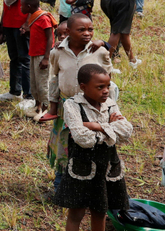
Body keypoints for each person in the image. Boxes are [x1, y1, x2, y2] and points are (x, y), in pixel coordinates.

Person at [54, 64, 131, 231]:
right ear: (83, 87)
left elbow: (127, 131)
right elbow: (82, 138)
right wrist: (109, 129)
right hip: (82, 167)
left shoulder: (111, 103)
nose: (105, 91)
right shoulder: (71, 105)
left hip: (106, 166)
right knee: (76, 212)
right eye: (100, 87)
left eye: (107, 86)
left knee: (100, 209)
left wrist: (96, 126)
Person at [45, 14, 114, 190]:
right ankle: (61, 187)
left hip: (92, 108)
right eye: (81, 29)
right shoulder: (57, 52)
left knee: (92, 144)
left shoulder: (99, 51)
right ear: (68, 32)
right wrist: (53, 104)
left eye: (90, 29)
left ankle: (93, 187)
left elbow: (108, 80)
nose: (87, 33)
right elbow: (54, 79)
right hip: (66, 107)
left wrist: (109, 108)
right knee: (65, 145)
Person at [0, 0, 46, 103]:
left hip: (23, 23)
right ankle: (14, 91)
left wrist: (27, 23)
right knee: (14, 58)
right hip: (9, 21)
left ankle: (29, 95)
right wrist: (2, 22)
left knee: (25, 58)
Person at [20, 0, 56, 119]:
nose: (21, 8)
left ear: (29, 7)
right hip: (34, 54)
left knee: (42, 82)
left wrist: (46, 58)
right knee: (34, 82)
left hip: (42, 55)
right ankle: (38, 107)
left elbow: (50, 37)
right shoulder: (34, 18)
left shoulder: (43, 18)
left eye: (22, 6)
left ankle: (46, 110)